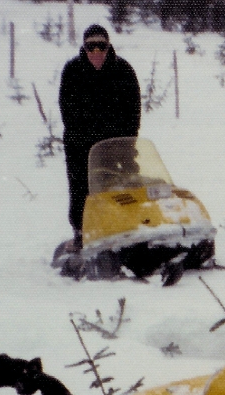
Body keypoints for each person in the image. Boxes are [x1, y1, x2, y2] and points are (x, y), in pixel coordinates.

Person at [59, 24, 141, 248]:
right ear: (84, 48)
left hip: (117, 145)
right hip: (81, 147)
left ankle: (131, 230)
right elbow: (69, 112)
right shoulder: (72, 71)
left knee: (128, 185)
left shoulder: (123, 71)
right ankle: (81, 234)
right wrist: (88, 139)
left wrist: (126, 143)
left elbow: (133, 112)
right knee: (82, 191)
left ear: (108, 46)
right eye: (90, 47)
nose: (96, 52)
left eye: (101, 47)